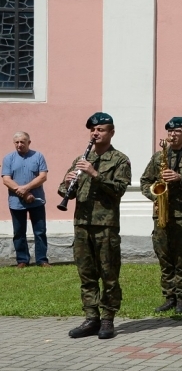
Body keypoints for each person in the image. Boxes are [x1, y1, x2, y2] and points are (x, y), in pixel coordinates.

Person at [59, 112, 131, 340]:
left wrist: (94, 173)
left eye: (100, 130)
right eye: (92, 130)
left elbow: (119, 189)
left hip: (105, 225)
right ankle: (91, 318)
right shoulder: (81, 158)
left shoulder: (120, 159)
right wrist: (69, 182)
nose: (95, 133)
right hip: (82, 224)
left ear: (111, 132)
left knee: (109, 274)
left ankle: (108, 319)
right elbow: (63, 190)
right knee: (86, 274)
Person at [140, 117, 182, 314]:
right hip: (161, 212)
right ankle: (169, 296)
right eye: (170, 131)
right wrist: (154, 194)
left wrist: (181, 178)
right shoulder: (158, 157)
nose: (173, 134)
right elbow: (145, 181)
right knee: (164, 256)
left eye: (177, 131)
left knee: (181, 257)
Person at [2, 132, 49, 268]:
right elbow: (6, 179)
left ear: (29, 142)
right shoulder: (8, 158)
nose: (19, 145)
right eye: (16, 142)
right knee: (19, 232)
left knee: (40, 231)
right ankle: (22, 260)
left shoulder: (38, 156)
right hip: (16, 203)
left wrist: (25, 189)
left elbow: (43, 177)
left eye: (22, 142)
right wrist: (24, 194)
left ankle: (42, 260)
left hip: (37, 201)